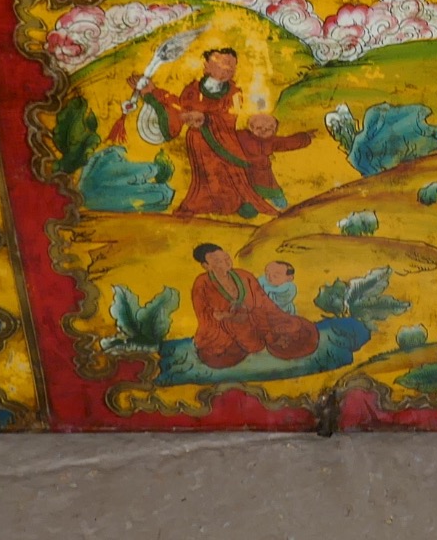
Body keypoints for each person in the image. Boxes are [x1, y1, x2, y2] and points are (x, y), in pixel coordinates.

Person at [135, 48, 311, 218]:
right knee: (207, 176)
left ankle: (236, 204)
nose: (227, 70)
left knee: (231, 177)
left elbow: (230, 116)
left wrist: (206, 118)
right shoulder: (192, 89)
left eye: (231, 67)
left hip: (225, 142)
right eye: (221, 65)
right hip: (199, 142)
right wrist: (153, 93)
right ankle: (206, 204)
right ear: (207, 66)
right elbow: (179, 107)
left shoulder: (235, 93)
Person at [190, 243, 318, 368]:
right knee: (217, 354)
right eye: (218, 261)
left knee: (297, 330)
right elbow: (205, 316)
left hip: (256, 322)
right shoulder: (202, 284)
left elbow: (264, 302)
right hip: (224, 331)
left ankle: (263, 339)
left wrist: (255, 315)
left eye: (226, 257)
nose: (226, 262)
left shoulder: (244, 276)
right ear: (206, 266)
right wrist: (227, 317)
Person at [236, 113, 313, 214]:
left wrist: (305, 137)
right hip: (247, 175)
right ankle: (250, 208)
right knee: (254, 196)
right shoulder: (242, 136)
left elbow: (288, 143)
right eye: (259, 128)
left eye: (268, 129)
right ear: (251, 127)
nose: (263, 131)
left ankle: (282, 206)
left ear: (274, 131)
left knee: (271, 192)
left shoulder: (270, 141)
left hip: (262, 175)